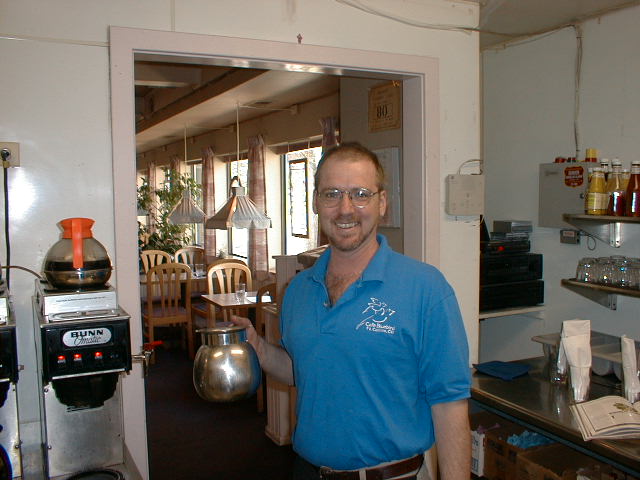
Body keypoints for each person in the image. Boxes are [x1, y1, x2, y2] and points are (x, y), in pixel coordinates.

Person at [234, 142, 471, 480]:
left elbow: (450, 404)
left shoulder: (426, 288)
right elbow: (304, 369)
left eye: (360, 194)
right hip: (307, 471)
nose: (345, 209)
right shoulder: (298, 290)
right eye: (331, 194)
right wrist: (259, 349)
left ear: (382, 203)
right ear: (316, 202)